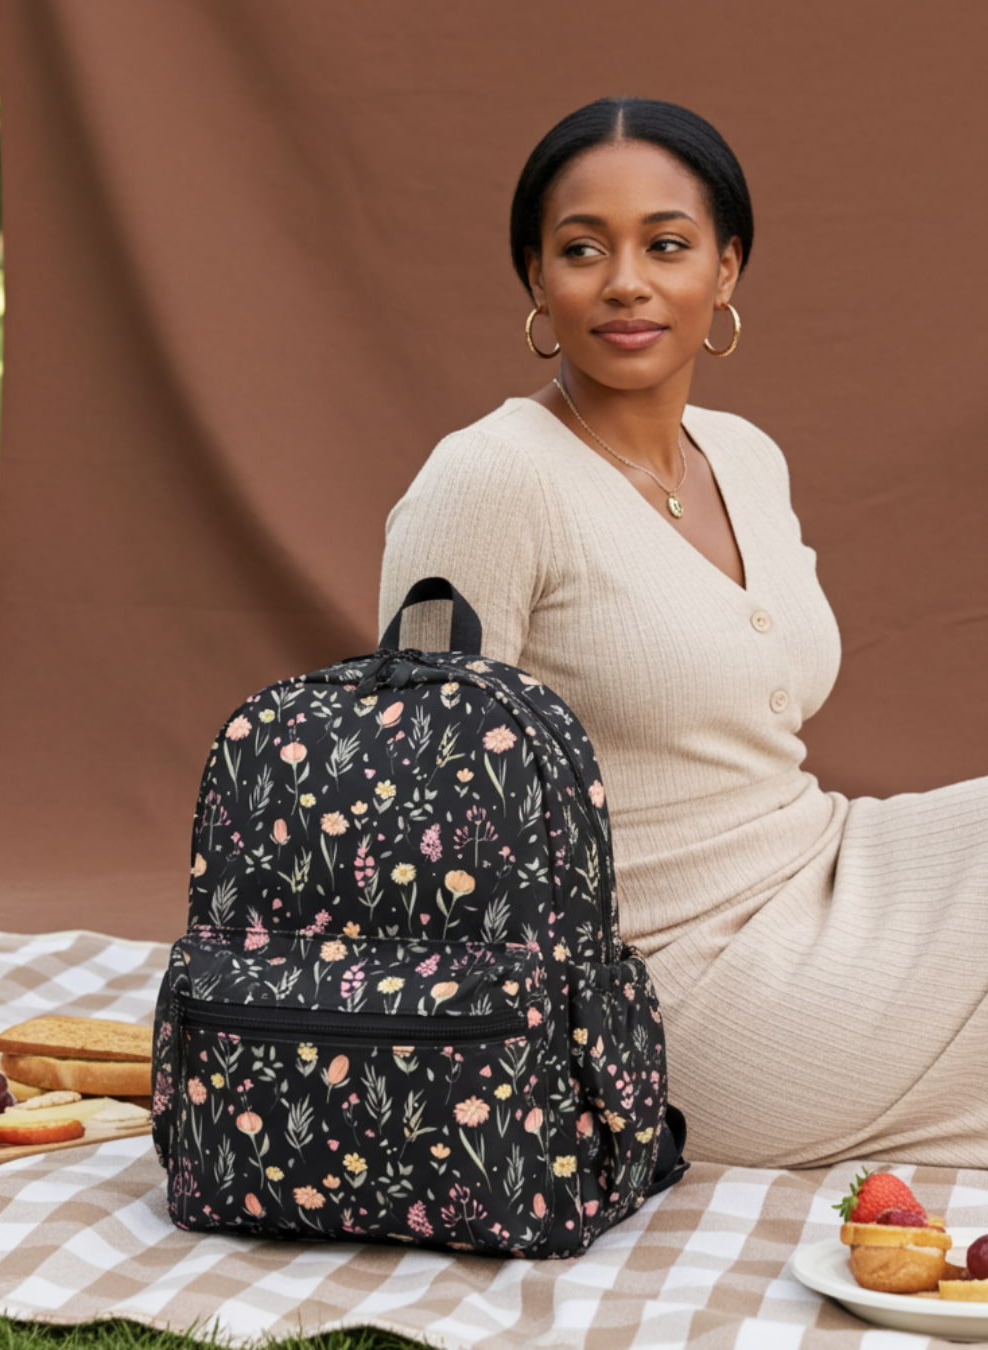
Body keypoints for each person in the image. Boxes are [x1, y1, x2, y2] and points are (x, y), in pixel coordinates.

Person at [377, 97, 988, 1170]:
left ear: (727, 270)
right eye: (582, 249)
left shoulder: (745, 455)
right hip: (665, 987)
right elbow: (420, 814)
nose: (625, 280)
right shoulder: (488, 480)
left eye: (667, 244)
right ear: (535, 277)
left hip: (828, 864)